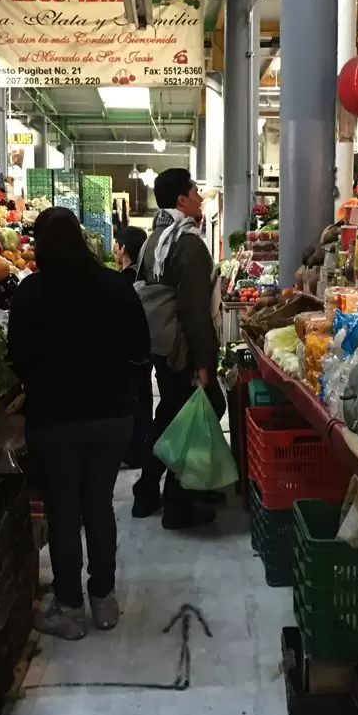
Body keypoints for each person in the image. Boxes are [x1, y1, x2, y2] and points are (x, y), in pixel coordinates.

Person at [8, 207, 150, 641]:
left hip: (54, 419)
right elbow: (141, 349)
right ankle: (104, 601)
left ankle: (69, 609)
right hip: (111, 416)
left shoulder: (31, 293)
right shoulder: (115, 285)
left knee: (64, 513)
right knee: (99, 506)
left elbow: (17, 357)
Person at [134, 168, 225, 529]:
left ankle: (147, 489)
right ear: (181, 200)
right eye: (195, 191)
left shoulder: (154, 239)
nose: (201, 198)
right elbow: (193, 308)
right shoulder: (188, 243)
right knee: (199, 409)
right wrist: (203, 361)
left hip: (162, 344)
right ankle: (178, 501)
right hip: (182, 349)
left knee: (171, 413)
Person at [114, 226, 152, 468]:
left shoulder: (122, 282)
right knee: (144, 400)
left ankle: (134, 451)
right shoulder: (147, 278)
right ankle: (141, 449)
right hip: (146, 351)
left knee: (131, 402)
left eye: (116, 245)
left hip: (127, 354)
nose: (115, 250)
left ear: (123, 248)